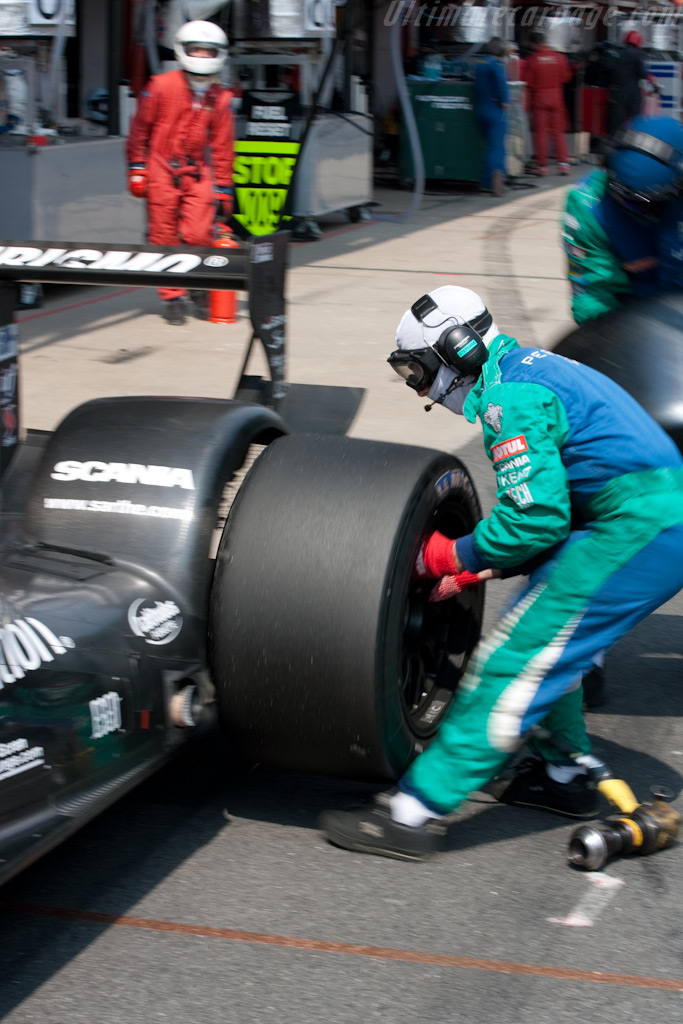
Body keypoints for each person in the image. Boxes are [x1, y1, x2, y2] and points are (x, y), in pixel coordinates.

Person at [319, 284, 683, 861]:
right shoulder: (527, 367)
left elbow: (536, 520)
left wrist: (443, 557)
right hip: (635, 517)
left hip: (636, 528)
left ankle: (414, 812)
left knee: (512, 660)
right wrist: (472, 572)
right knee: (545, 642)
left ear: (458, 350)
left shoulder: (508, 399)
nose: (422, 389)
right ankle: (561, 778)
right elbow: (555, 510)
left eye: (418, 371)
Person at [126, 20, 234, 325]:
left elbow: (223, 146)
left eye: (207, 50)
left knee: (199, 233)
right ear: (182, 50)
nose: (201, 55)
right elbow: (139, 131)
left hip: (197, 171)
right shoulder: (160, 86)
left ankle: (198, 284)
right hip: (161, 168)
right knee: (163, 236)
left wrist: (224, 186)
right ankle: (172, 296)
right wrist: (137, 167)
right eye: (196, 49)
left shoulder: (221, 98)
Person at [563, 115, 683, 326]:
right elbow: (593, 296)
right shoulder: (587, 205)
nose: (632, 208)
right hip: (635, 318)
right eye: (624, 199)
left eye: (645, 204)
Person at [525, 30, 572, 176]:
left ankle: (543, 166)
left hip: (540, 99)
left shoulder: (532, 60)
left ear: (534, 44)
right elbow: (566, 77)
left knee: (541, 133)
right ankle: (563, 164)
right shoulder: (560, 57)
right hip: (556, 98)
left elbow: (529, 82)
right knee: (558, 132)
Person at [473, 36, 509, 198]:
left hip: (481, 109)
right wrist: (505, 101)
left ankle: (486, 183)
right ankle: (496, 176)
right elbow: (501, 82)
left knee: (489, 147)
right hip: (495, 110)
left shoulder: (479, 64)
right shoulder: (497, 64)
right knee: (497, 147)